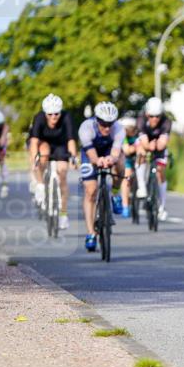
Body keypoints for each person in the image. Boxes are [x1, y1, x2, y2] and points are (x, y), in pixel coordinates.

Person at [78, 102, 123, 252]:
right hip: (90, 153)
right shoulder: (86, 127)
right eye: (103, 124)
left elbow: (116, 153)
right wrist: (98, 161)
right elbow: (91, 155)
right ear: (97, 120)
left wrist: (111, 159)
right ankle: (91, 233)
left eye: (110, 123)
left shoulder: (118, 129)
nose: (107, 127)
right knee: (91, 190)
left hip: (109, 151)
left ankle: (115, 194)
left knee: (121, 166)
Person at [29, 93, 77, 229]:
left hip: (61, 145)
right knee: (42, 155)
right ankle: (40, 185)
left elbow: (71, 140)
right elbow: (34, 142)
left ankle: (63, 214)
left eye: (56, 113)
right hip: (44, 143)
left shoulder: (67, 117)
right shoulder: (39, 118)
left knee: (62, 172)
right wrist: (35, 160)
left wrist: (73, 157)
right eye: (50, 114)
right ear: (45, 113)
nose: (53, 117)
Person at [136, 96, 172, 221]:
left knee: (161, 171)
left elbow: (162, 143)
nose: (155, 119)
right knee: (140, 151)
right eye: (151, 116)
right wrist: (148, 146)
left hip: (159, 145)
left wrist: (156, 145)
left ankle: (161, 206)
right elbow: (144, 141)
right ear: (147, 114)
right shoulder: (140, 120)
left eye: (157, 116)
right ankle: (141, 186)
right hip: (145, 143)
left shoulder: (166, 121)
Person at [117, 115, 140, 218]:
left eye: (132, 128)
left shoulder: (137, 134)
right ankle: (125, 205)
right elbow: (127, 150)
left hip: (137, 158)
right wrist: (136, 147)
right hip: (125, 159)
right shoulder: (122, 137)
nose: (130, 131)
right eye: (128, 129)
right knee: (126, 178)